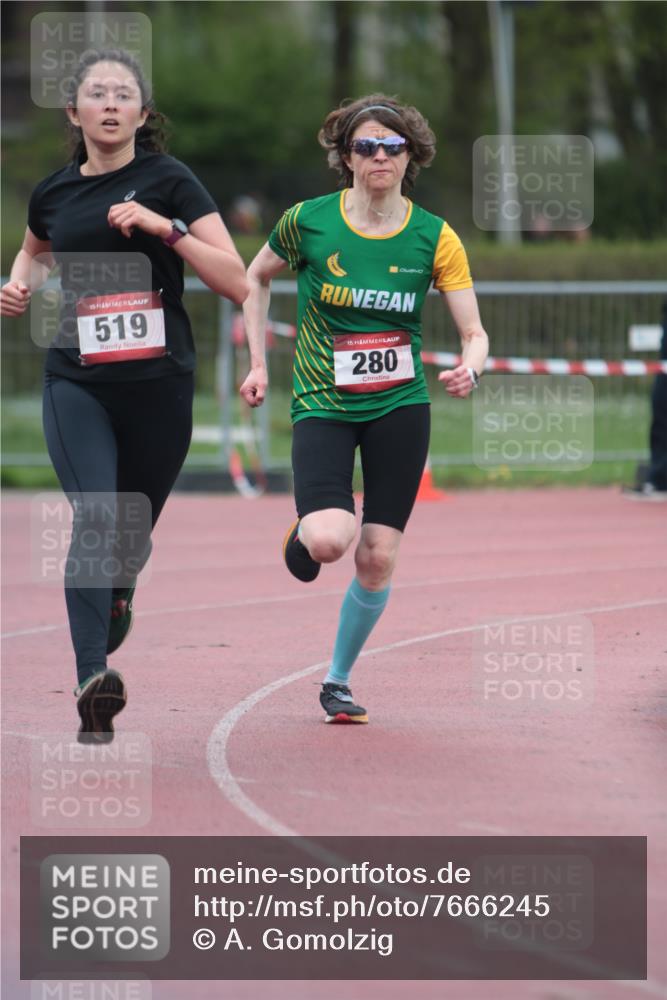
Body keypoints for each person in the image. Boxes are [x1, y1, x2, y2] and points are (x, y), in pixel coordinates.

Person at [0, 49, 248, 741]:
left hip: (159, 385)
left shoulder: (169, 181)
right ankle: (91, 679)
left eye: (123, 94)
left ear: (143, 113)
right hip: (76, 378)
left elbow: (235, 279)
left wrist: (163, 228)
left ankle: (118, 594)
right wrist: (18, 282)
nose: (109, 104)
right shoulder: (52, 192)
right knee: (98, 519)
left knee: (127, 536)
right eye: (96, 94)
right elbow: (33, 249)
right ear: (74, 113)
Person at [240, 94, 489, 723]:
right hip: (323, 401)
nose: (380, 156)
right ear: (346, 157)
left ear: (411, 157)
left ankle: (337, 680)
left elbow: (474, 332)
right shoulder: (308, 221)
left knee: (376, 554)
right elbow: (257, 276)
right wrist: (259, 362)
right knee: (330, 542)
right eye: (366, 146)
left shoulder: (435, 236)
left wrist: (471, 365)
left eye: (393, 146)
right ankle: (307, 529)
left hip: (400, 406)